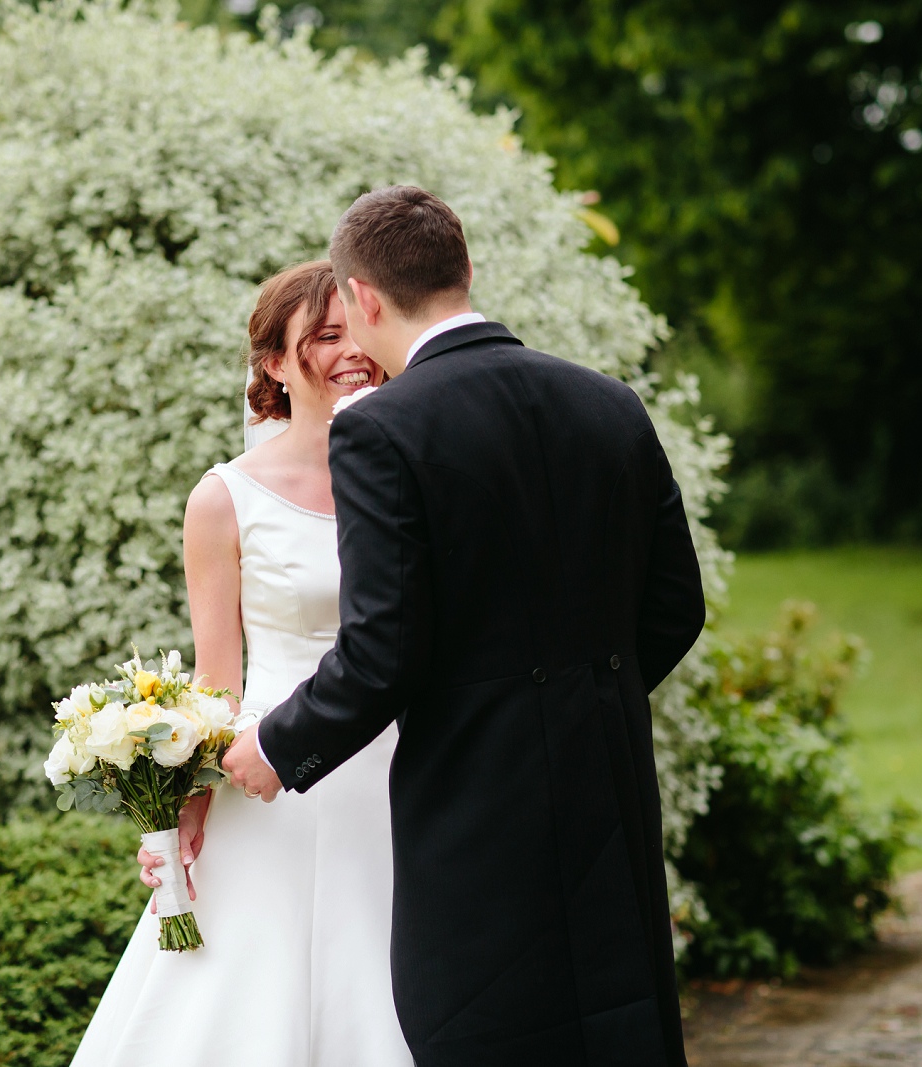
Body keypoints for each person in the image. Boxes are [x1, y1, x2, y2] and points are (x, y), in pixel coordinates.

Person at [224, 186, 707, 1066]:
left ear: (362, 297)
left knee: (489, 1034)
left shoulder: (380, 430)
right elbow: (676, 602)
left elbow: (383, 649)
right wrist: (579, 698)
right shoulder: (610, 401)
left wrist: (279, 744)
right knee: (618, 1030)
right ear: (467, 269)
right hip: (610, 794)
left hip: (473, 807)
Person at [71, 260, 413, 1067]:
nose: (351, 351)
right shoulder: (225, 498)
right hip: (273, 779)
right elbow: (217, 680)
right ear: (273, 364)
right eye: (324, 336)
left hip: (407, 772)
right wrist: (183, 803)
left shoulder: (418, 475)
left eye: (357, 330)